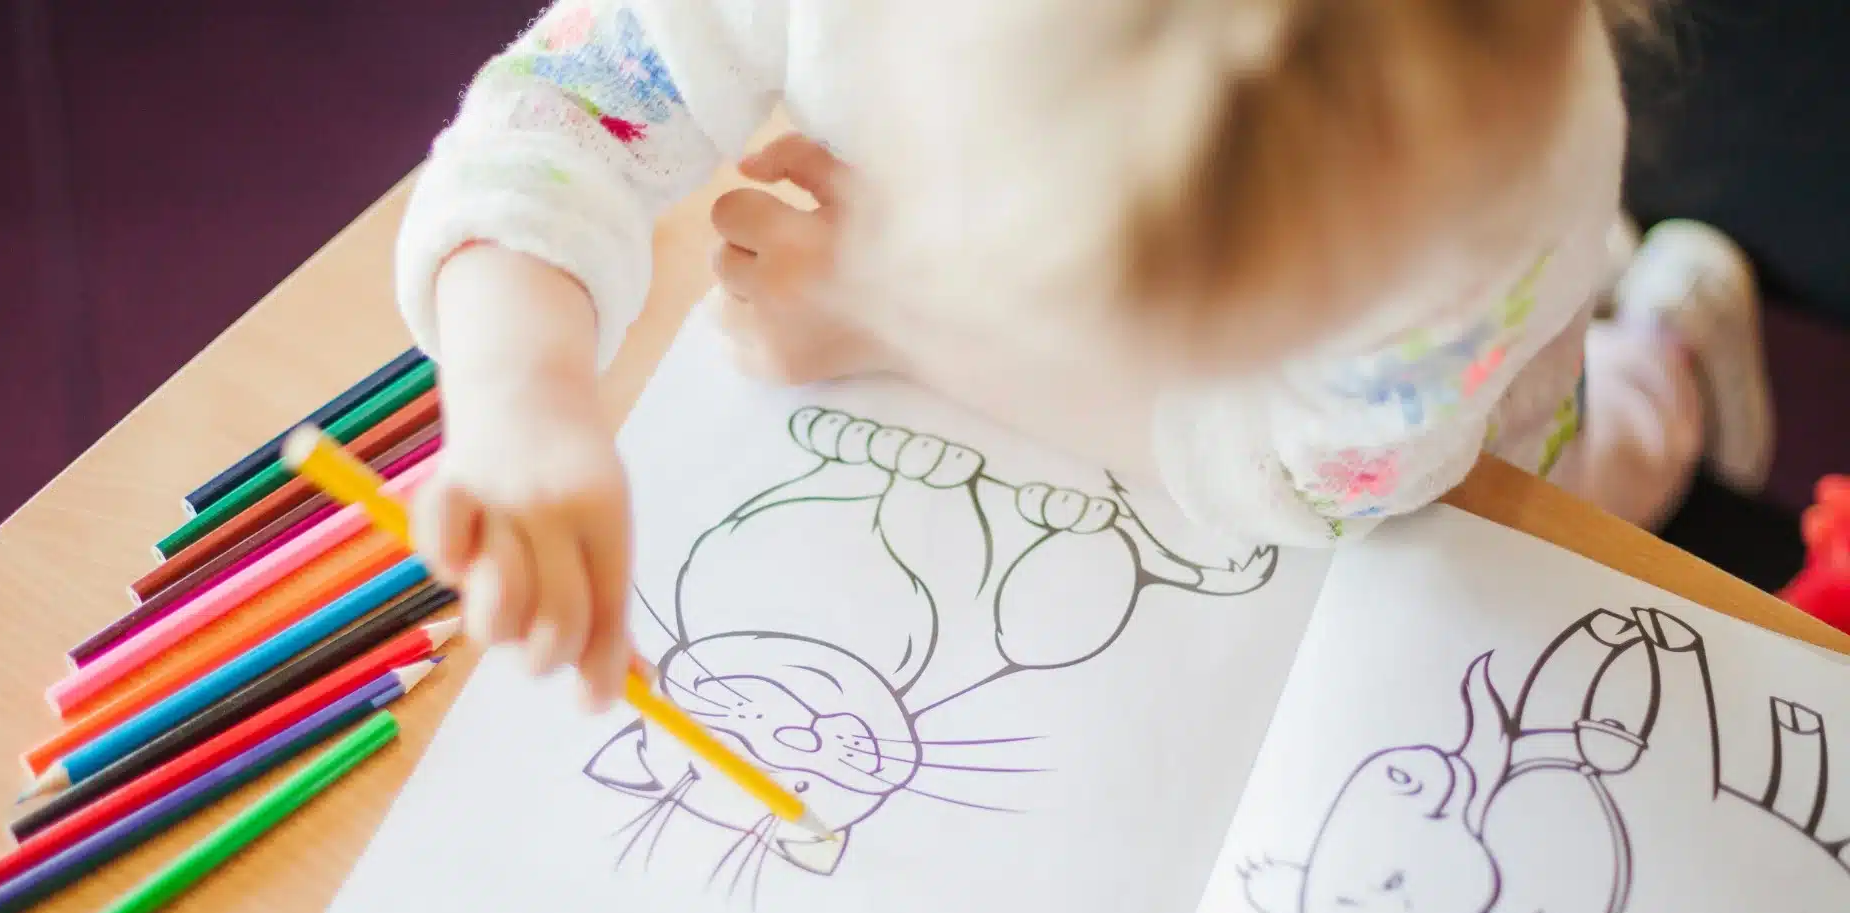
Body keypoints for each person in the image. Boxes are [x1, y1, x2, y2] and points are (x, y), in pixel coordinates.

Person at [394, 0, 1770, 707]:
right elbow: (561, 108)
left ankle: (1670, 362)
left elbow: (1321, 475)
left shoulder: (1478, 192)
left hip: (1466, 404)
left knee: (1576, 476)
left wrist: (896, 316)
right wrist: (525, 404)